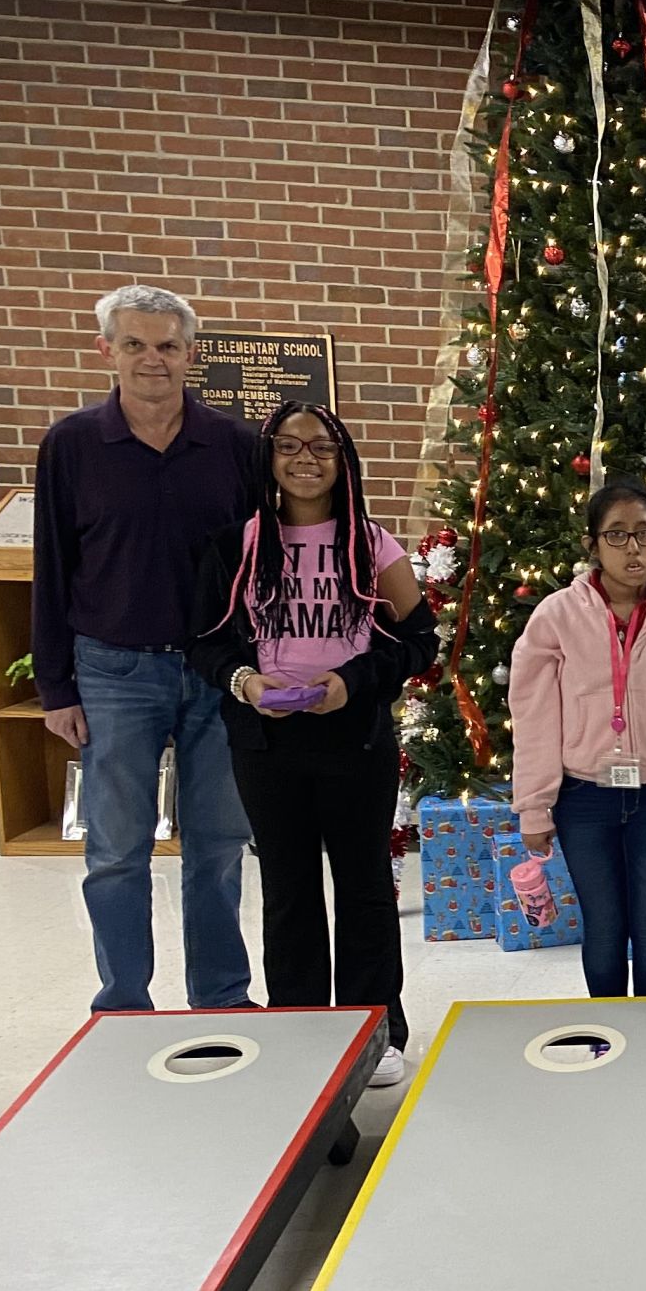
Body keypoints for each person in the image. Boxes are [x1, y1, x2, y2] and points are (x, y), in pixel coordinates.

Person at [190, 403, 438, 1081]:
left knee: (363, 887)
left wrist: (352, 682)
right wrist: (244, 682)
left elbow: (420, 641)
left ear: (343, 459)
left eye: (322, 447)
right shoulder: (236, 544)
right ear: (267, 458)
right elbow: (204, 644)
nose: (306, 458)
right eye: (289, 446)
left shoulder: (371, 544)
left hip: (355, 741)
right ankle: (299, 1024)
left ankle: (376, 1033)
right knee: (288, 888)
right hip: (266, 746)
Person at [33, 284, 259, 1012]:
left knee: (219, 846)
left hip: (217, 672)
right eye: (135, 344)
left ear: (191, 354)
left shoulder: (234, 447)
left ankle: (221, 997)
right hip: (113, 672)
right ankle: (123, 1002)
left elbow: (262, 567)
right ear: (107, 351)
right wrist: (56, 688)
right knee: (116, 852)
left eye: (167, 345)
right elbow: (52, 570)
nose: (152, 359)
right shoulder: (70, 447)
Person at [510, 483, 646, 999]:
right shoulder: (556, 616)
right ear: (593, 544)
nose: (633, 549)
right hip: (583, 798)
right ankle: (610, 1041)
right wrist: (535, 808)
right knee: (605, 932)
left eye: (645, 535)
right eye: (617, 535)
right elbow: (535, 716)